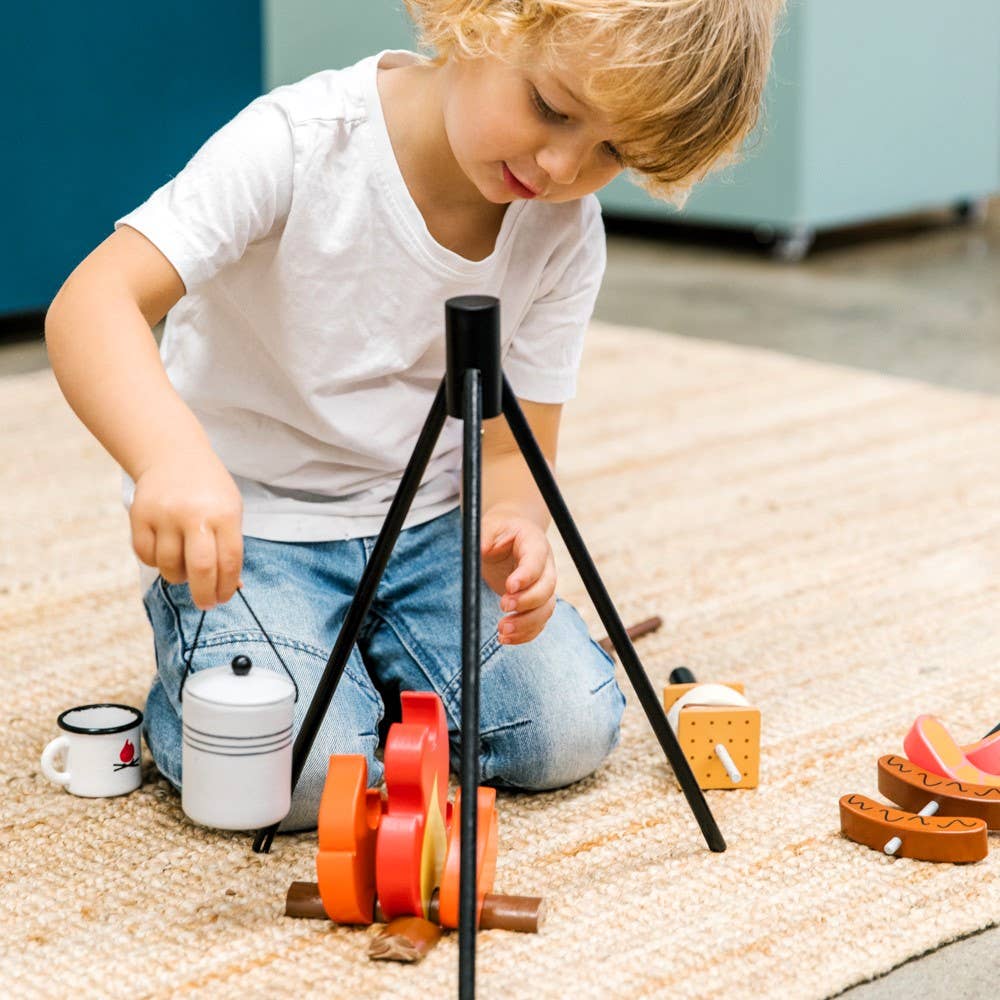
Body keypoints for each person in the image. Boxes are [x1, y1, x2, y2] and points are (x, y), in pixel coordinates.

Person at [45, 0, 784, 831]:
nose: (559, 166)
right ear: (484, 17)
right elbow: (92, 304)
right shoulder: (298, 141)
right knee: (299, 779)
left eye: (612, 150)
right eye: (552, 108)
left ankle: (349, 679)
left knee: (568, 728)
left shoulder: (565, 231)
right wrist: (170, 459)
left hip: (427, 532)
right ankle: (232, 692)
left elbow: (512, 447)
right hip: (252, 534)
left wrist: (515, 529)